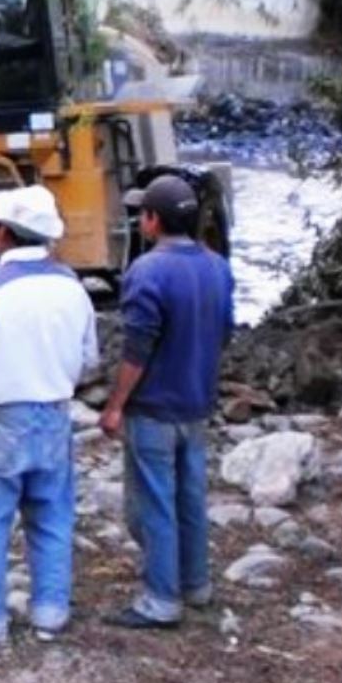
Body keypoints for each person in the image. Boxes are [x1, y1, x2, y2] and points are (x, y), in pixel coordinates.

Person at [0, 185, 99, 645]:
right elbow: (89, 359)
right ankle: (51, 610)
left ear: (3, 233)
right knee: (52, 514)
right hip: (54, 412)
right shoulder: (73, 287)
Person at [99, 174, 235, 630]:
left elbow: (138, 349)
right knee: (191, 496)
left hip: (154, 406)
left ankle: (160, 598)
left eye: (143, 214)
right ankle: (196, 584)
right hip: (196, 402)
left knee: (151, 504)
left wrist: (116, 403)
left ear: (153, 220)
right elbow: (224, 331)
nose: (140, 221)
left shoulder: (147, 271)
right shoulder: (218, 266)